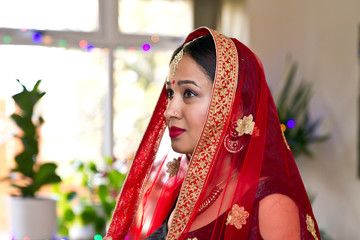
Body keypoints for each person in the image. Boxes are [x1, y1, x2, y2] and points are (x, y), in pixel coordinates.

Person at [104, 27, 320, 240]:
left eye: (189, 93)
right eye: (170, 93)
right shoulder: (187, 194)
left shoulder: (271, 205)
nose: (169, 111)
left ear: (234, 108)